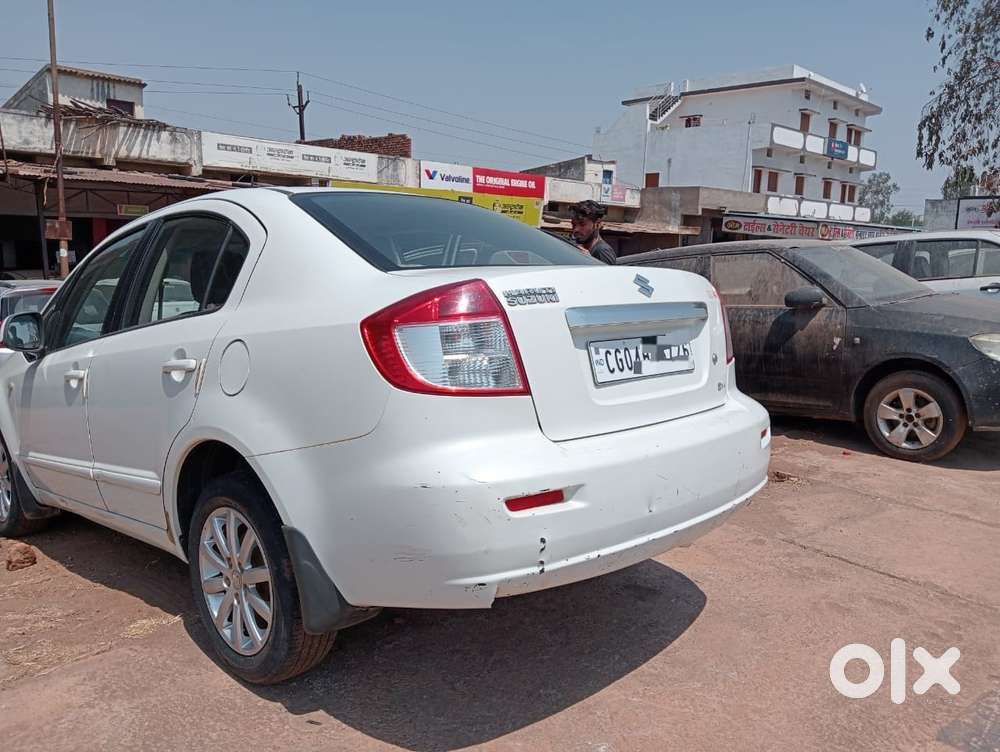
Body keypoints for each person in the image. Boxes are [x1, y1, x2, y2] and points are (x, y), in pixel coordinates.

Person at [570, 200, 616, 264]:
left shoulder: (602, 251)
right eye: (574, 224)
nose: (576, 229)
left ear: (597, 224)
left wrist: (589, 261)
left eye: (582, 224)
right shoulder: (580, 248)